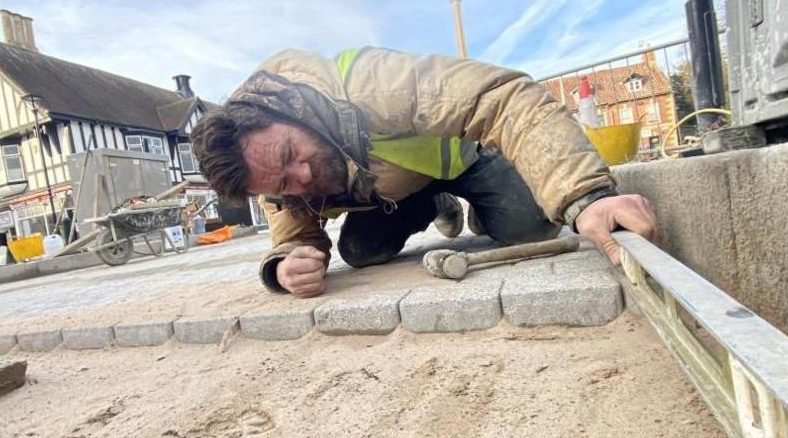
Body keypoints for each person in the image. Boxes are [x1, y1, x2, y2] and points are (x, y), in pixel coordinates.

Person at [190, 46, 658, 298]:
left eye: (293, 152)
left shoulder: (366, 83)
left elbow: (500, 98)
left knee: (531, 228)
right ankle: (434, 205)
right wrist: (284, 267)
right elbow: (291, 229)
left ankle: (475, 201)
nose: (304, 176)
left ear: (286, 112)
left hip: (463, 158)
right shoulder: (269, 173)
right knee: (359, 252)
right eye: (284, 183)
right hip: (398, 190)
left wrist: (585, 196)